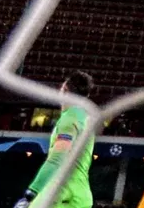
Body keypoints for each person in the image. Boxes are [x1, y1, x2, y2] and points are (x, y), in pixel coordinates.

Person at [11, 72, 96, 208]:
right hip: (81, 195)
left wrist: (32, 192)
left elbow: (57, 158)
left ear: (65, 91)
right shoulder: (86, 119)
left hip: (61, 193)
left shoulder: (70, 119)